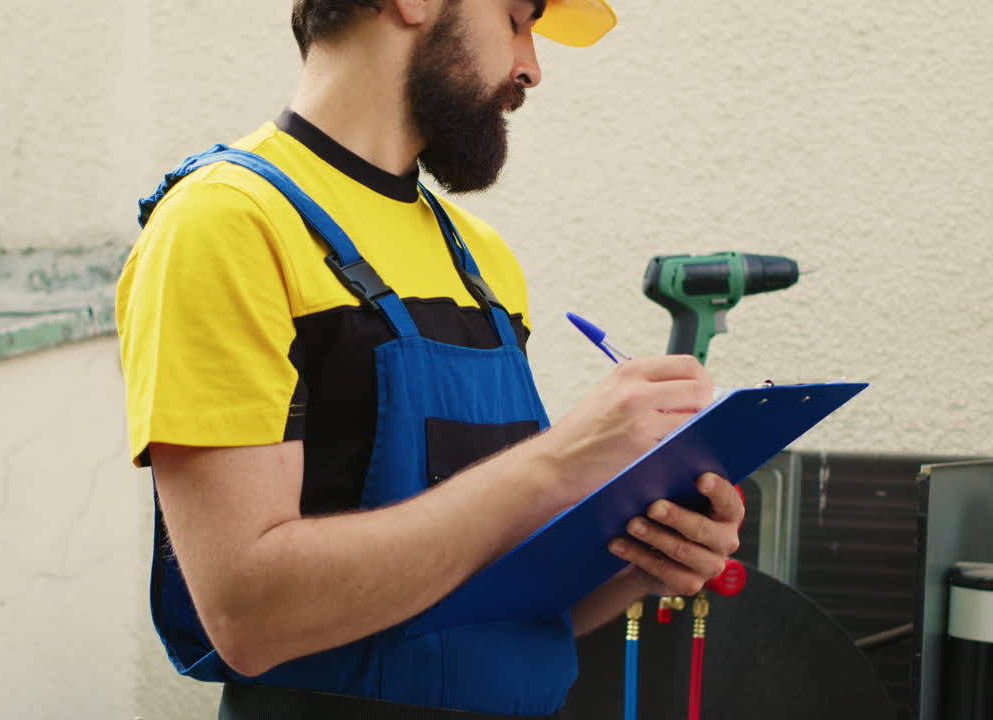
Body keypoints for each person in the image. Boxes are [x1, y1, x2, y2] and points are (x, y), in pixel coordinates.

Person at [116, 0, 744, 717]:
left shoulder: (483, 260)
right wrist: (558, 462)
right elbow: (249, 618)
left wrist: (644, 555)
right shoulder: (225, 227)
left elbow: (492, 609)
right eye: (515, 19)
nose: (531, 67)